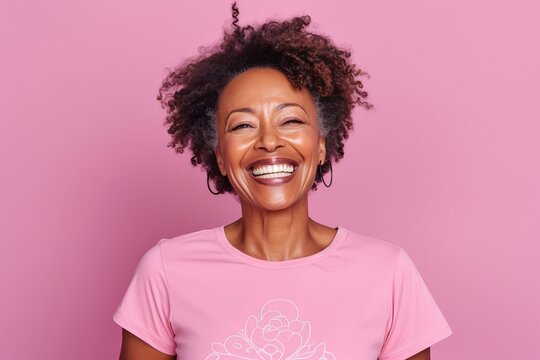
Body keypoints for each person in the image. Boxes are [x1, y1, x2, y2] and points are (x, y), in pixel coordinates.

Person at [112, 3, 452, 359]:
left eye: (290, 121)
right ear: (220, 157)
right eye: (243, 125)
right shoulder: (166, 270)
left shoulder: (388, 272)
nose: (269, 141)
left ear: (321, 146)